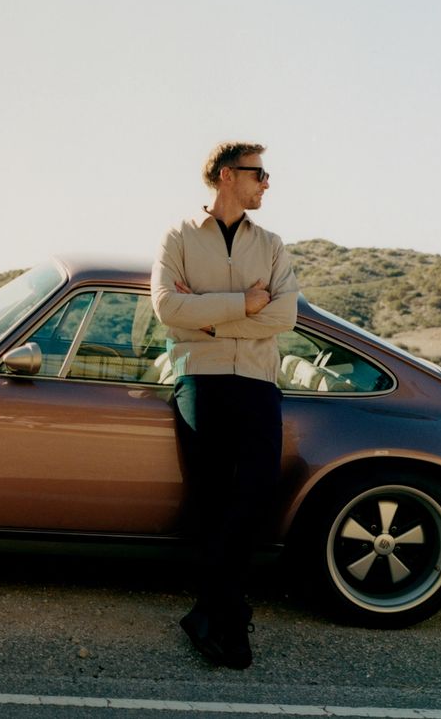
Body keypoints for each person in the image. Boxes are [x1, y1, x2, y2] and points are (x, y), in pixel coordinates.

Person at [151, 141, 300, 669]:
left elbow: (284, 317)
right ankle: (227, 619)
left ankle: (211, 610)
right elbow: (167, 307)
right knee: (212, 499)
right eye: (260, 173)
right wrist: (243, 303)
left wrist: (209, 316)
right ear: (225, 176)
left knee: (255, 496)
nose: (267, 183)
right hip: (201, 379)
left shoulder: (274, 244)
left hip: (258, 382)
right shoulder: (179, 236)